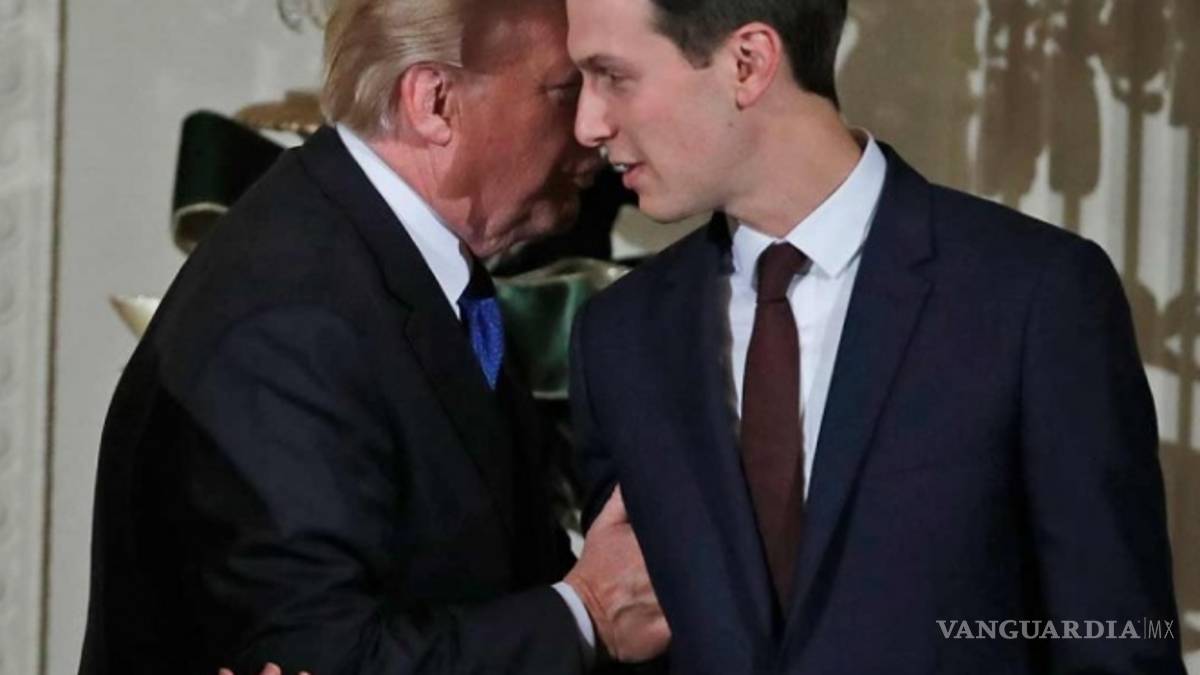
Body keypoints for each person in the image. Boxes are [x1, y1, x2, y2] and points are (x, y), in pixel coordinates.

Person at [564, 0, 1186, 672]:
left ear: (747, 63)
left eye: (613, 76)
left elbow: (1118, 641)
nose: (587, 124)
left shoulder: (1035, 296)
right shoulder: (618, 337)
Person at [79, 0, 669, 672]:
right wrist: (586, 613)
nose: (594, 125)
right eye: (566, 89)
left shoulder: (383, 265)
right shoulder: (291, 318)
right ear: (434, 102)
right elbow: (320, 656)